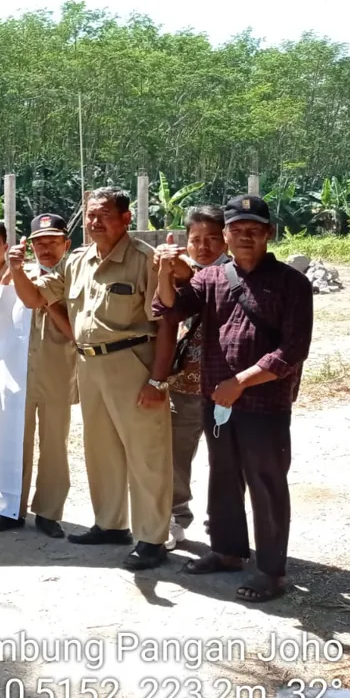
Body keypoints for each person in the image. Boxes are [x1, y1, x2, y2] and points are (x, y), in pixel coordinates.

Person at [155, 195, 312, 603]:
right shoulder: (211, 280)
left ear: (269, 234)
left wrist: (241, 381)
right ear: (227, 235)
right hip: (219, 402)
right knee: (223, 477)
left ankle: (271, 572)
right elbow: (170, 310)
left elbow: (292, 350)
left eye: (254, 230)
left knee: (266, 483)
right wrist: (163, 273)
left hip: (265, 404)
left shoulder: (291, 284)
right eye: (237, 229)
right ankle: (226, 552)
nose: (245, 236)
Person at [10, 187, 177, 571]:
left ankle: (151, 538)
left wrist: (158, 381)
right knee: (101, 450)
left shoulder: (144, 260)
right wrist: (17, 269)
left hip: (132, 361)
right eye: (89, 215)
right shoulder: (77, 261)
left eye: (103, 215)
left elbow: (166, 320)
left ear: (125, 219)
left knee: (146, 453)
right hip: (88, 364)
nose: (95, 222)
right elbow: (36, 299)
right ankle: (110, 523)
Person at [0, 213, 76, 538]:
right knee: (13, 444)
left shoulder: (76, 277)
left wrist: (47, 301)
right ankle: (10, 508)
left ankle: (49, 512)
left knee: (54, 446)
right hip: (16, 374)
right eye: (39, 242)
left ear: (67, 243)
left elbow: (75, 333)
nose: (45, 248)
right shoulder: (16, 276)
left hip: (57, 370)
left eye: (52, 241)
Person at [162, 206, 230, 550]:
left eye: (212, 239)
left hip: (227, 389)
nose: (203, 247)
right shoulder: (174, 275)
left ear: (226, 240)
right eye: (196, 240)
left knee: (227, 462)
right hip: (183, 385)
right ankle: (176, 518)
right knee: (175, 458)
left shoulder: (238, 275)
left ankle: (223, 527)